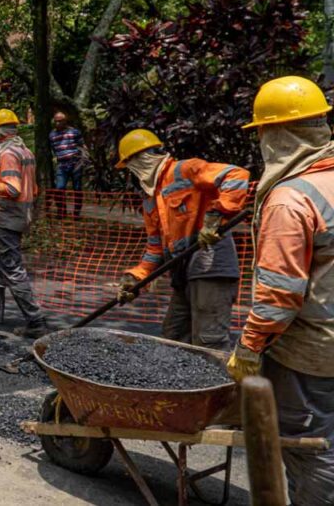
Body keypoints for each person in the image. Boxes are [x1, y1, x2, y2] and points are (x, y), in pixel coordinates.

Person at [227, 76, 334, 504]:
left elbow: (279, 295)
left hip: (312, 354)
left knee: (310, 448)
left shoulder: (291, 199)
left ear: (278, 134)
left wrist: (250, 347)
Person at [115, 129, 249, 350]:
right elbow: (155, 248)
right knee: (174, 335)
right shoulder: (150, 199)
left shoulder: (186, 170)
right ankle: (180, 384)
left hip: (210, 264)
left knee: (208, 340)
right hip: (183, 271)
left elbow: (236, 175)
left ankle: (219, 383)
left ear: (143, 157)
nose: (132, 171)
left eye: (131, 164)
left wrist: (215, 217)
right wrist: (135, 278)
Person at [0, 109, 48, 338]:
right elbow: (32, 189)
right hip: (20, 215)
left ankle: (35, 321)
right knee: (0, 262)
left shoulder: (8, 154)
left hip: (8, 217)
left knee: (11, 267)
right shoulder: (25, 150)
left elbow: (12, 189)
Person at [49, 111, 84, 217]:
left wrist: (82, 159)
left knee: (77, 189)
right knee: (59, 188)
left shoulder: (74, 132)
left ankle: (76, 213)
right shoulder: (52, 135)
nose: (57, 123)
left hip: (75, 163)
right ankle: (61, 211)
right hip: (61, 164)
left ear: (65, 121)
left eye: (60, 121)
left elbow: (82, 145)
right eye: (56, 121)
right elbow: (54, 149)